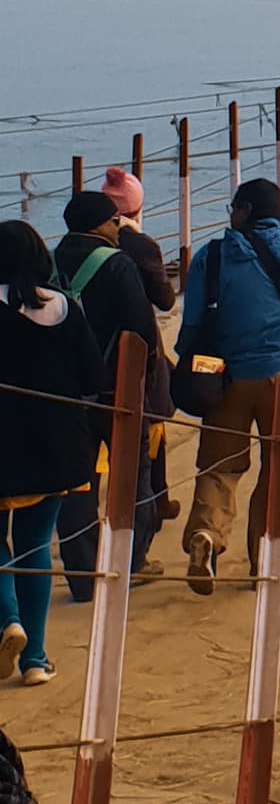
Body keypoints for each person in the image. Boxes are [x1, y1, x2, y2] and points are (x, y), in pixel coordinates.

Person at [178, 179, 280, 593]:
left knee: (220, 467)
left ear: (245, 210)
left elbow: (192, 325)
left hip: (226, 379)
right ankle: (269, 564)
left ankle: (208, 536)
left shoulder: (211, 256)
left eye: (233, 207)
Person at [0, 222, 109, 688]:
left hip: (4, 445)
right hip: (56, 445)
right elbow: (92, 375)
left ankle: (8, 619)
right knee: (36, 547)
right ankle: (36, 661)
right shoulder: (64, 306)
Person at [51, 192, 158, 602]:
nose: (119, 228)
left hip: (69, 392)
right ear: (99, 225)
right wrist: (144, 379)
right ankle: (129, 564)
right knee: (132, 475)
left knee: (77, 482)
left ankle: (81, 575)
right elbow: (141, 328)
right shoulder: (117, 264)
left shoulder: (50, 261)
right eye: (115, 221)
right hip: (118, 386)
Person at [98, 168, 178, 576]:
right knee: (151, 428)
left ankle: (86, 535)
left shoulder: (70, 248)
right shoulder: (140, 245)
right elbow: (163, 300)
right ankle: (151, 513)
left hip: (93, 356)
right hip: (135, 354)